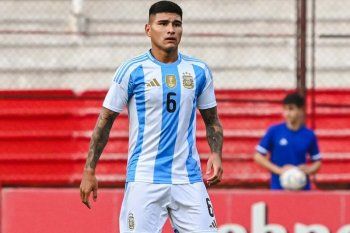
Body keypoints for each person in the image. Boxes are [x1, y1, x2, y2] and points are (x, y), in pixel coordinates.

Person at [79, 1, 223, 232]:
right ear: (148, 29)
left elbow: (212, 119)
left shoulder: (199, 70)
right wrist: (89, 170)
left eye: (176, 24)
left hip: (188, 178)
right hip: (145, 178)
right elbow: (104, 122)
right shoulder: (132, 70)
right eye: (163, 23)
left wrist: (216, 153)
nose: (171, 30)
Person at [254, 92, 322, 190]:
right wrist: (279, 170)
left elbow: (317, 162)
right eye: (285, 109)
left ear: (301, 110)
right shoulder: (274, 131)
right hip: (278, 188)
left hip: (302, 189)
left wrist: (308, 169)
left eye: (291, 109)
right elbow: (258, 156)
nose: (287, 113)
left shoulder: (309, 135)